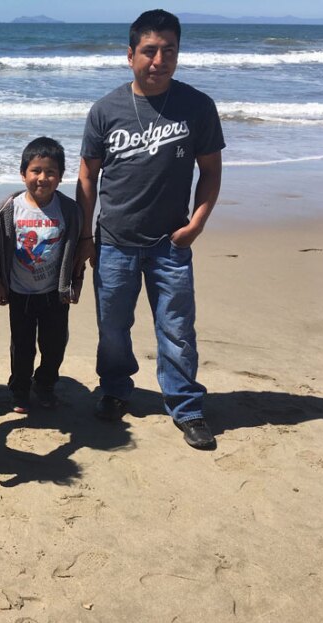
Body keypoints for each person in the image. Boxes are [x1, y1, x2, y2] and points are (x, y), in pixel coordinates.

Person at [76, 9, 225, 448]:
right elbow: (87, 175)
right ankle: (116, 389)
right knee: (113, 329)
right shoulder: (106, 110)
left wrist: (196, 224)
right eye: (149, 51)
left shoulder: (197, 106)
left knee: (177, 328)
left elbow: (211, 171)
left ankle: (186, 406)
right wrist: (85, 236)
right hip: (115, 243)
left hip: (170, 243)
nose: (159, 60)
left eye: (169, 51)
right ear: (130, 55)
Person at [0, 137, 85, 414]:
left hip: (53, 294)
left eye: (50, 172)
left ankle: (45, 385)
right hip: (20, 293)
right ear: (23, 174)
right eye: (35, 171)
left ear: (60, 176)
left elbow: (77, 250)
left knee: (54, 345)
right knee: (21, 347)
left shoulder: (68, 209)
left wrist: (76, 284)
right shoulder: (10, 207)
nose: (42, 178)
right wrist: (0, 282)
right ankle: (20, 389)